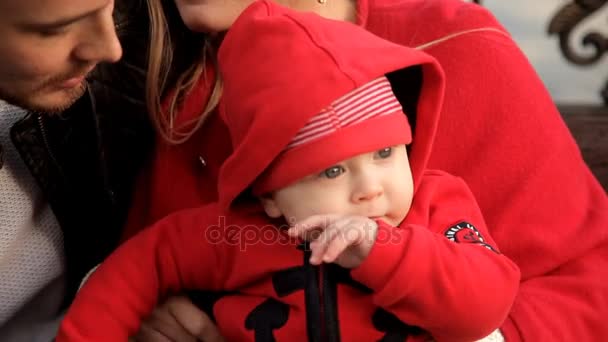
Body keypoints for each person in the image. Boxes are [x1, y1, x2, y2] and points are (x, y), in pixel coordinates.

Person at [122, 0, 608, 341]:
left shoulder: (457, 44)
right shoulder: (178, 89)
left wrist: (482, 332)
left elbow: (591, 280)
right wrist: (146, 316)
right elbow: (140, 266)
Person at [0, 0, 158, 340]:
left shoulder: (147, 30)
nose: (109, 48)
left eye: (111, 6)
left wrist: (135, 298)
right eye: (55, 30)